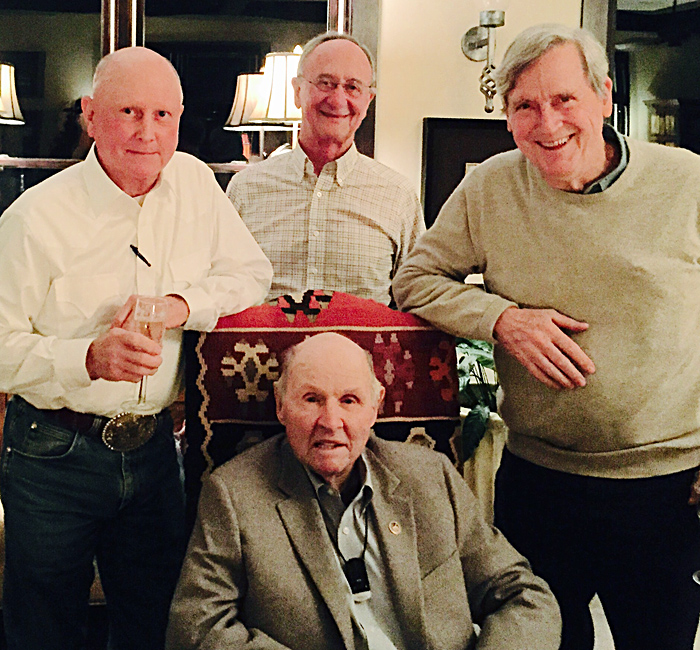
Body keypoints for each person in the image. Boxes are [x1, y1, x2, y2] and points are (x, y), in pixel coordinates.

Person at [392, 22, 700, 650]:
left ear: (604, 97)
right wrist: (503, 319)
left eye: (564, 100)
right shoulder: (490, 185)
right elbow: (415, 281)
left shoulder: (687, 182)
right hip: (540, 478)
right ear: (507, 117)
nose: (547, 123)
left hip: (664, 486)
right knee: (539, 639)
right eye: (525, 106)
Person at [0, 46, 272, 650]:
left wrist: (179, 304)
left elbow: (251, 274)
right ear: (91, 116)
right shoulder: (33, 218)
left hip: (154, 452)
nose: (148, 133)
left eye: (163, 115)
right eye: (129, 111)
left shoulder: (197, 184)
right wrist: (86, 359)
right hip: (52, 453)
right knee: (43, 628)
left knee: (156, 620)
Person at [165, 332, 561, 650]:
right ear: (281, 406)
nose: (330, 420)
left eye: (349, 400)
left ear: (375, 408)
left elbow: (523, 595)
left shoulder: (431, 476)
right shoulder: (234, 494)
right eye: (312, 399)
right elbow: (197, 630)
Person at [226, 32, 424, 306]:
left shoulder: (398, 196)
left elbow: (417, 299)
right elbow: (220, 288)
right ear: (297, 91)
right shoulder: (245, 189)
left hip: (363, 349)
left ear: (368, 100)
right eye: (325, 83)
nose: (337, 99)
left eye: (353, 87)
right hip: (261, 348)